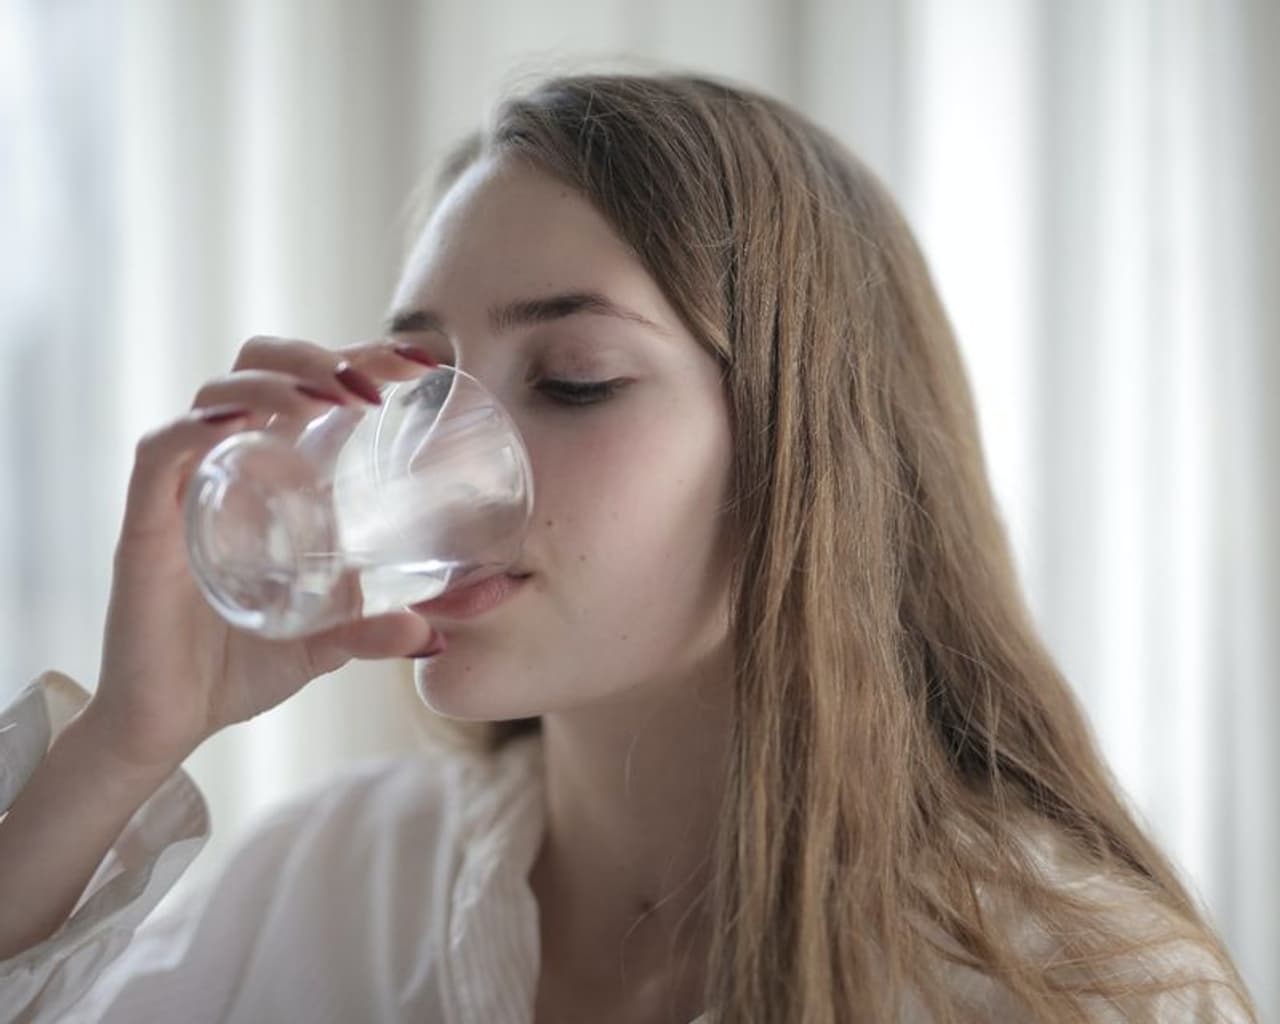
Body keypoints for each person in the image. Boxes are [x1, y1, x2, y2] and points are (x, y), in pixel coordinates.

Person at [0, 72, 1259, 1023]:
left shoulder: (1074, 986)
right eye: (423, 388)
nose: (437, 469)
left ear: (803, 452)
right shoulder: (330, 884)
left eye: (575, 380)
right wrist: (122, 744)